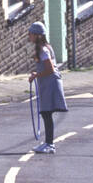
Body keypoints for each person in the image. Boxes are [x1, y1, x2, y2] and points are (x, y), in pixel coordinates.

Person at [27, 22, 67, 153]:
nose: (29, 36)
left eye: (31, 34)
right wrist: (37, 74)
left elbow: (49, 68)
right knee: (46, 113)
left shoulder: (43, 50)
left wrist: (36, 75)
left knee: (46, 112)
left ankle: (50, 144)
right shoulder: (45, 48)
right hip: (48, 83)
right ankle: (48, 143)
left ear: (37, 35)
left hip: (50, 83)